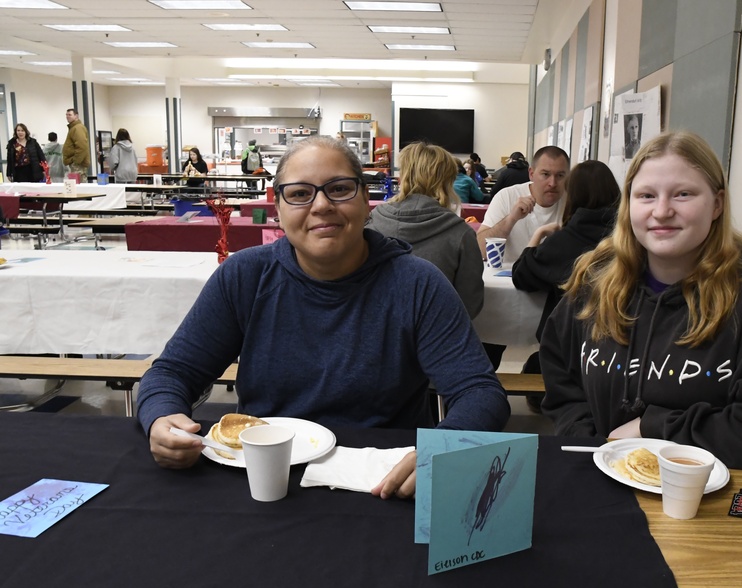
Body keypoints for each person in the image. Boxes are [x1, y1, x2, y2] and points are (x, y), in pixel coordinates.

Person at [136, 135, 509, 499]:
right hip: (265, 481)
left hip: (382, 485)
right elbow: (173, 372)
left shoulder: (417, 283)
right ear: (277, 209)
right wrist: (162, 415)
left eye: (339, 189)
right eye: (300, 194)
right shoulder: (245, 276)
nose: (321, 206)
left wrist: (446, 444)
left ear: (366, 199)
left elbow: (479, 392)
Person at [539, 131, 742, 470]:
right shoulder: (596, 282)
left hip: (702, 498)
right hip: (600, 476)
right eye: (647, 196)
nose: (662, 211)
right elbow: (560, 374)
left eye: (683, 194)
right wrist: (590, 443)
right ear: (628, 205)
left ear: (717, 204)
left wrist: (651, 429)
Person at [512, 159, 620, 384]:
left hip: (567, 349)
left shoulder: (564, 242)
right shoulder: (627, 239)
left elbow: (521, 275)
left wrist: (539, 234)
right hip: (619, 348)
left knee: (534, 364)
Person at [369, 143, 484, 318]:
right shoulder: (460, 233)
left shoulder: (370, 224)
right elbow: (470, 304)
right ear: (447, 181)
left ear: (403, 176)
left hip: (372, 335)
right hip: (437, 337)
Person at [476, 146, 569, 262]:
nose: (552, 183)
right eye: (545, 174)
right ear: (531, 174)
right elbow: (480, 250)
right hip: (506, 277)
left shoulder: (573, 202)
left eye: (560, 175)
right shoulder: (506, 197)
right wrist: (511, 219)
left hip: (554, 278)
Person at [62, 108, 90, 177]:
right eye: (66, 115)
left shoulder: (77, 128)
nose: (67, 116)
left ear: (76, 116)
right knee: (75, 185)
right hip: (76, 164)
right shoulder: (74, 128)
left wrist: (76, 161)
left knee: (78, 186)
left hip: (78, 165)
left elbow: (82, 147)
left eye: (70, 115)